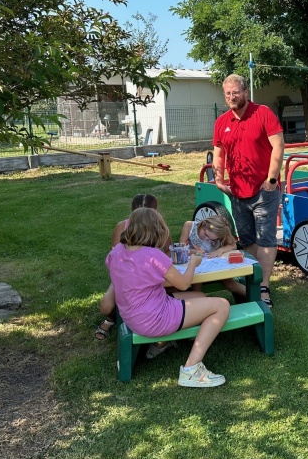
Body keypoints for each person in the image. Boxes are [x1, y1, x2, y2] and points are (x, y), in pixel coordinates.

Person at [106, 207, 230, 387]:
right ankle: (191, 369)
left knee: (199, 295)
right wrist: (193, 263)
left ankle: (165, 342)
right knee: (222, 305)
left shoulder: (117, 251)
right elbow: (183, 284)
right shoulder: (153, 255)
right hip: (154, 318)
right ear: (157, 229)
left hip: (132, 315)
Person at [212, 73, 284, 308]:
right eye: (227, 94)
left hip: (264, 190)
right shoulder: (222, 122)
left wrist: (271, 179)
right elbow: (218, 154)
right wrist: (219, 180)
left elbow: (278, 146)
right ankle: (254, 281)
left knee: (266, 238)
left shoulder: (263, 113)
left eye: (235, 92)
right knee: (247, 239)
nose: (231, 97)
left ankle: (263, 287)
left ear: (245, 92)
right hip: (237, 192)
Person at [95, 194, 165, 340]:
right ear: (131, 211)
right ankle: (111, 318)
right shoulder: (122, 227)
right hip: (125, 276)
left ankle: (161, 316)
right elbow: (115, 259)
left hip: (151, 276)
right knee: (106, 307)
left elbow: (169, 250)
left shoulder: (160, 227)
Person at [179, 214, 245, 298]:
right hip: (195, 265)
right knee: (197, 282)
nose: (206, 239)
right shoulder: (189, 226)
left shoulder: (222, 231)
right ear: (203, 224)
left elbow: (233, 245)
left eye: (212, 240)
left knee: (230, 284)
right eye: (206, 235)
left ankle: (257, 297)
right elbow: (180, 249)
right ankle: (200, 303)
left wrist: (220, 250)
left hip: (213, 264)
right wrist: (194, 252)